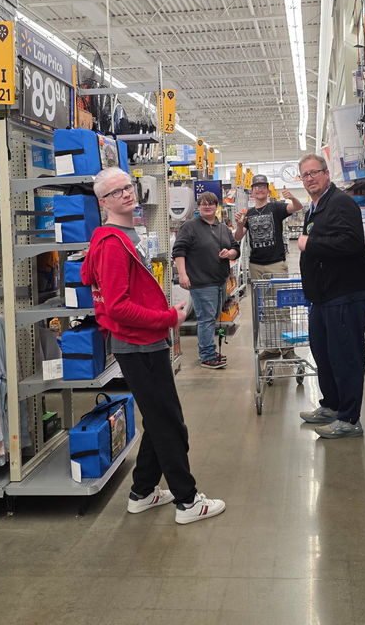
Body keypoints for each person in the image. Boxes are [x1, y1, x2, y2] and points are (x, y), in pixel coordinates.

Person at [81, 167, 225, 524]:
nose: (127, 194)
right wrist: (168, 320)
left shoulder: (128, 234)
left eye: (128, 187)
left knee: (160, 420)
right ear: (103, 202)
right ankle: (188, 501)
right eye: (116, 192)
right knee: (171, 424)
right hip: (139, 344)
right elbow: (117, 306)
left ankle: (141, 492)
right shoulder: (114, 243)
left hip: (147, 343)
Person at [296, 154, 365, 439]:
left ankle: (349, 419)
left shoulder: (341, 203)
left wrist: (311, 244)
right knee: (323, 353)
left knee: (345, 357)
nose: (310, 179)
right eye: (305, 175)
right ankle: (331, 405)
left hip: (346, 293)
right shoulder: (315, 207)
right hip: (323, 296)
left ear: (326, 174)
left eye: (314, 173)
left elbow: (351, 243)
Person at [172, 191, 240, 369]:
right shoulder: (190, 226)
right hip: (201, 282)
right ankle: (207, 355)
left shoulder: (222, 228)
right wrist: (183, 274)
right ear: (198, 207)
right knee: (206, 319)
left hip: (219, 281)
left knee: (212, 317)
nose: (207, 206)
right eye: (203, 203)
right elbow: (179, 251)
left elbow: (235, 247)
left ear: (216, 207)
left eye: (210, 203)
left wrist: (229, 253)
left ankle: (208, 350)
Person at [233, 174, 303, 279]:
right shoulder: (247, 213)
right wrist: (239, 226)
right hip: (255, 265)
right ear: (252, 192)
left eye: (262, 187)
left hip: (276, 264)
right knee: (259, 296)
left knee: (277, 295)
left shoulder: (276, 208)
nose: (259, 190)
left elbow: (298, 207)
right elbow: (238, 237)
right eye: (256, 187)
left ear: (268, 191)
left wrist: (292, 198)